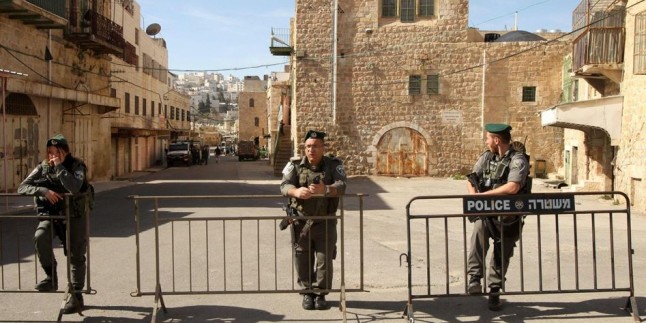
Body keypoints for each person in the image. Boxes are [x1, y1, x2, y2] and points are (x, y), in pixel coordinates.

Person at [18, 134, 93, 314]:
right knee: (40, 237)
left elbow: (74, 187)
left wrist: (59, 166)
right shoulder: (43, 167)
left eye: (57, 152)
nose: (53, 156)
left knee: (76, 253)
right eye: (50, 152)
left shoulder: (77, 166)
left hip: (74, 215)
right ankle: (51, 277)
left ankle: (76, 295)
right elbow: (22, 187)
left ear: (65, 151)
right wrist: (43, 190)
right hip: (52, 215)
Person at [465, 123, 530, 311]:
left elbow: (513, 186)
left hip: (508, 215)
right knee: (478, 234)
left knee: (502, 253)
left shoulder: (517, 160)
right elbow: (471, 178)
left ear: (497, 140)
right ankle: (474, 278)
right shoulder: (487, 156)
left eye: (488, 138)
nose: (486, 142)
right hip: (487, 212)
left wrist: (483, 197)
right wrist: (474, 196)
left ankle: (494, 291)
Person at [280, 130, 347, 310]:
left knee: (324, 260)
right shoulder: (294, 165)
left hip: (325, 221)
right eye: (308, 146)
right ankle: (307, 293)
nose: (312, 150)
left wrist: (325, 189)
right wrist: (296, 192)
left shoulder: (333, 165)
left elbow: (342, 185)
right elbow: (284, 185)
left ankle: (321, 294)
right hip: (301, 222)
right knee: (302, 258)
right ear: (305, 148)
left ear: (323, 148)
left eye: (316, 146)